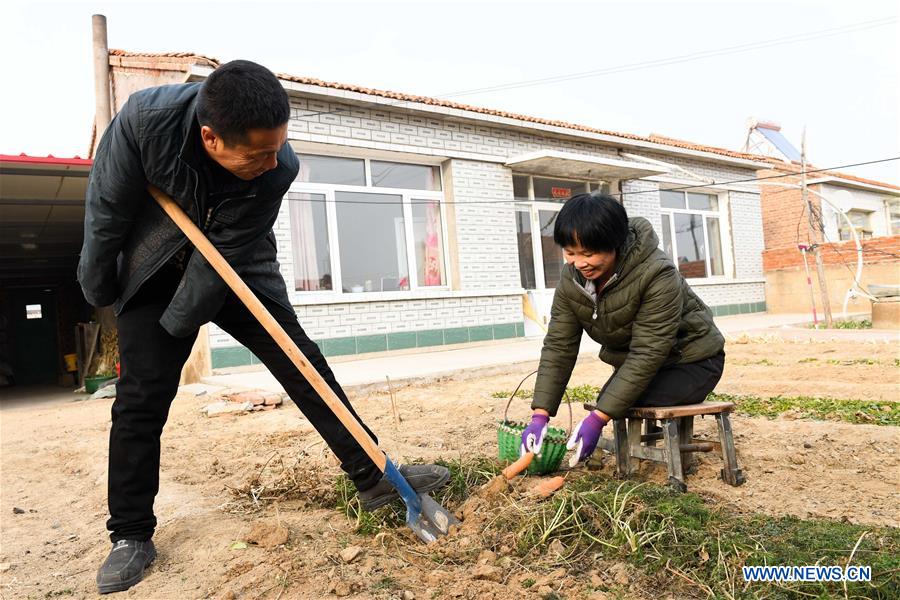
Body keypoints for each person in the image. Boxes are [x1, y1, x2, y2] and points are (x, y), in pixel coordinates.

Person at [79, 60, 449, 595]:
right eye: (256, 153)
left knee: (302, 364)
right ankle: (130, 534)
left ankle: (373, 476)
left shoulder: (279, 168)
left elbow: (215, 265)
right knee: (141, 398)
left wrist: (176, 327)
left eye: (277, 147)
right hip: (154, 260)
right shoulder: (144, 123)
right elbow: (105, 213)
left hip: (235, 257)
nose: (272, 161)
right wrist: (100, 292)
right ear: (210, 138)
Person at [520, 193, 725, 464]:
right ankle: (613, 440)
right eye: (570, 253)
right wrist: (540, 415)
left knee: (613, 402)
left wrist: (599, 418)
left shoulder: (657, 275)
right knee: (612, 400)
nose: (579, 263)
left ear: (614, 244)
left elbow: (648, 351)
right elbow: (559, 345)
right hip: (645, 364)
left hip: (692, 361)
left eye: (589, 253)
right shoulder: (572, 281)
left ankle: (651, 455)